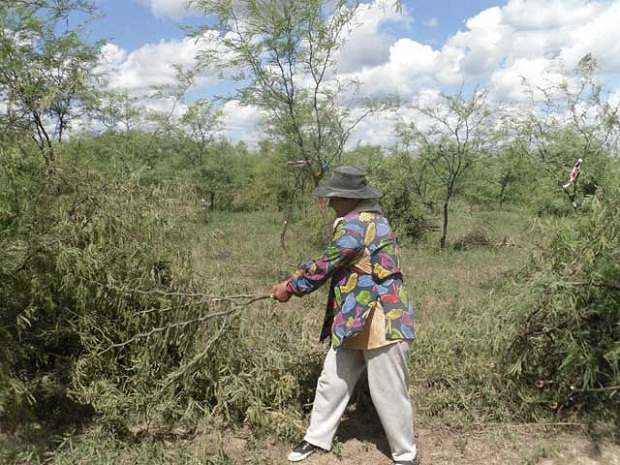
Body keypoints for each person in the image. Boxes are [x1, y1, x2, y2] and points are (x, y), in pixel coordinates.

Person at [270, 166, 417, 465]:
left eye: (336, 197)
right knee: (333, 380)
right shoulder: (366, 220)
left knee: (388, 390)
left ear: (351, 199)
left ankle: (405, 455)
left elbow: (326, 264)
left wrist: (290, 286)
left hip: (383, 318)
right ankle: (316, 438)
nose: (331, 202)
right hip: (355, 316)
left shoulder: (357, 226)